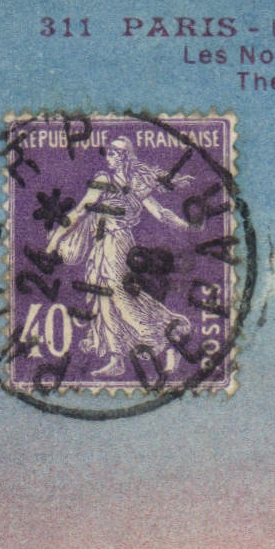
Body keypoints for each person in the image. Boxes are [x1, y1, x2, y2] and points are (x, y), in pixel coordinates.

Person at [44, 136, 200, 378]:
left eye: (116, 153)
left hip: (119, 245)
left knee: (123, 298)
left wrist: (187, 226)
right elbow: (80, 212)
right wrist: (55, 240)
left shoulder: (136, 184)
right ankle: (116, 359)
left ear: (126, 156)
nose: (111, 157)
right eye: (109, 153)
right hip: (100, 245)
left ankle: (169, 339)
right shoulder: (103, 181)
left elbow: (160, 212)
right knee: (104, 301)